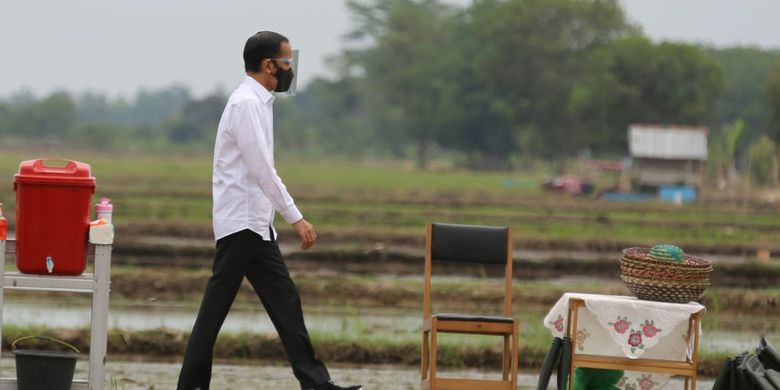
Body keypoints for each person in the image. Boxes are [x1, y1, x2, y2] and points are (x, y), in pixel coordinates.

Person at [177, 31, 363, 390]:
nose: (291, 69)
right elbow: (262, 169)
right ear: (268, 65)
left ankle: (317, 384)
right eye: (287, 62)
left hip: (257, 226)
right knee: (214, 313)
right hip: (242, 224)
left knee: (285, 303)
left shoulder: (259, 103)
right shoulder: (246, 104)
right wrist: (296, 217)